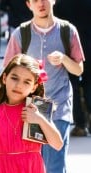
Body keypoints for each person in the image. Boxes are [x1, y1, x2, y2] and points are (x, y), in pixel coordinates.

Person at [3, 0, 85, 173]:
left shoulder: (68, 30)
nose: (41, 4)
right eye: (35, 0)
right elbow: (7, 70)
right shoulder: (21, 33)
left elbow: (79, 68)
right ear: (28, 5)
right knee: (30, 162)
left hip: (58, 106)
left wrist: (64, 59)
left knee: (55, 163)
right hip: (29, 108)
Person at [54, 0, 91, 137]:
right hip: (88, 45)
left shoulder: (60, 3)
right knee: (89, 82)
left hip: (69, 48)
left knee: (73, 85)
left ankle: (80, 124)